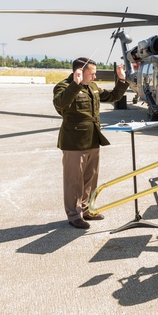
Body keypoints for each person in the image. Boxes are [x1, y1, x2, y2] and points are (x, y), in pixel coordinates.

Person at [53, 57, 128, 229]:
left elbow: (113, 96)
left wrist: (122, 79)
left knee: (90, 179)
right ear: (78, 72)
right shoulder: (63, 87)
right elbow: (61, 104)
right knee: (74, 180)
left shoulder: (92, 87)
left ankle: (86, 209)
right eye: (92, 74)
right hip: (74, 142)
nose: (94, 77)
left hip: (93, 139)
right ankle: (74, 215)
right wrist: (75, 84)